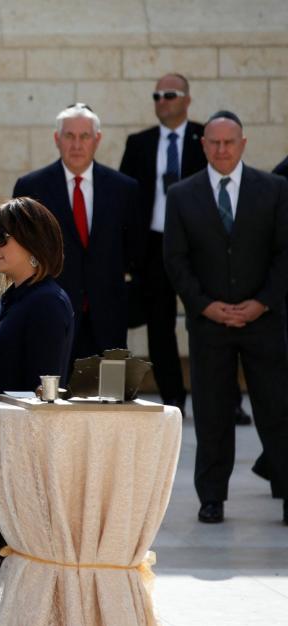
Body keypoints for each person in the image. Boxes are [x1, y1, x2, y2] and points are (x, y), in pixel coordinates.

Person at [163, 110, 288, 525]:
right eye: (214, 143)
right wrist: (204, 305)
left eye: (229, 142)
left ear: (243, 144)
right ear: (203, 145)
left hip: (264, 321)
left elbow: (283, 255)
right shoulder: (182, 195)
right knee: (213, 414)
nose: (221, 150)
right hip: (209, 325)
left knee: (277, 410)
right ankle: (212, 497)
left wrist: (262, 302)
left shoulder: (273, 190)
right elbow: (176, 259)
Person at [0, 197, 74, 580]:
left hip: (27, 458)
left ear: (32, 244)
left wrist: (14, 465)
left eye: (1, 239)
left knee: (25, 568)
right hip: (3, 448)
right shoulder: (14, 297)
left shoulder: (46, 302)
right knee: (8, 567)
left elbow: (43, 394)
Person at [13, 103, 142, 366]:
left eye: (84, 136)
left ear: (97, 140)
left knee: (108, 401)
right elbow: (21, 253)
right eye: (69, 136)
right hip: (51, 314)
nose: (77, 144)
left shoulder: (124, 189)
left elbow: (136, 252)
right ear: (57, 139)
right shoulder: (31, 187)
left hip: (109, 318)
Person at [119, 73, 205, 414]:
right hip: (154, 246)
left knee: (209, 323)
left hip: (201, 246)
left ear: (186, 98)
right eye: (156, 96)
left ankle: (225, 400)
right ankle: (173, 395)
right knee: (159, 325)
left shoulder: (205, 138)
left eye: (169, 94)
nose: (162, 101)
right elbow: (126, 199)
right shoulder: (139, 143)